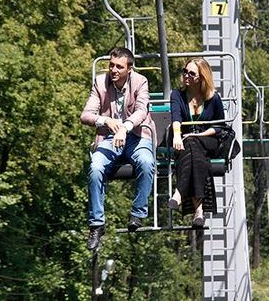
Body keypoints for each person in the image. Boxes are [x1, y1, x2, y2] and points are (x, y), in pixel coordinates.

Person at [80, 47, 156, 250]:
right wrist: (105, 120)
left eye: (119, 67)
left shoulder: (140, 82)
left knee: (147, 163)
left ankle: (138, 213)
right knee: (95, 168)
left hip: (137, 136)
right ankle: (97, 224)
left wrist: (125, 127)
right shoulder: (100, 83)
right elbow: (85, 115)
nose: (113, 70)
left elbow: (141, 111)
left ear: (129, 69)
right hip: (109, 138)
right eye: (111, 65)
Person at [168, 58, 225, 227]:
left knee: (193, 142)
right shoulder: (177, 95)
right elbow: (176, 118)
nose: (186, 75)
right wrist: (177, 136)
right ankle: (199, 211)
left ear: (202, 77)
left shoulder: (213, 98)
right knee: (194, 153)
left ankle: (179, 192)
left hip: (209, 139)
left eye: (191, 73)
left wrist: (199, 135)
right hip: (186, 142)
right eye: (184, 71)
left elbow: (220, 126)